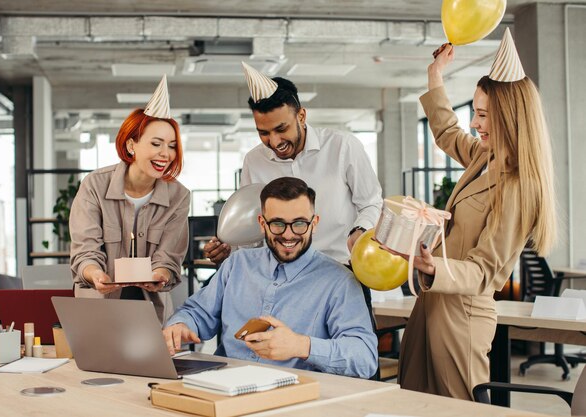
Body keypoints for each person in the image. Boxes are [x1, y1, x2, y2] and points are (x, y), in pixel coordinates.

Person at [391, 29, 556, 400]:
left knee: (458, 407)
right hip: (431, 302)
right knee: (414, 401)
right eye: (476, 112)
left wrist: (433, 266)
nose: (475, 123)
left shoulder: (518, 187)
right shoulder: (485, 157)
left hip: (462, 315)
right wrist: (436, 76)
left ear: (510, 118)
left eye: (483, 115)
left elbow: (484, 271)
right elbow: (447, 131)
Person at [163, 177, 378, 378]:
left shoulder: (339, 281)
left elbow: (364, 358)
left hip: (293, 396)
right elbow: (197, 312)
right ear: (262, 223)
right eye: (277, 223)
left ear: (314, 223)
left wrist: (301, 346)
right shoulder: (237, 264)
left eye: (300, 223)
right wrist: (181, 324)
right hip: (225, 385)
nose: (288, 234)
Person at [204, 63, 383, 265]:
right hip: (281, 275)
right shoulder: (254, 161)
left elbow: (371, 202)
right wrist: (231, 247)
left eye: (281, 129)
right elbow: (254, 228)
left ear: (301, 116)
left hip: (341, 267)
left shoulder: (342, 146)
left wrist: (359, 231)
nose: (274, 141)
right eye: (263, 132)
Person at [69, 75, 190, 323]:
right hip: (98, 309)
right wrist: (95, 275)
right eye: (156, 143)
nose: (165, 154)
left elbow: (169, 257)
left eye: (172, 146)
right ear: (132, 145)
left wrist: (160, 274)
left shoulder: (178, 196)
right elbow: (85, 250)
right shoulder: (95, 185)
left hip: (151, 311)